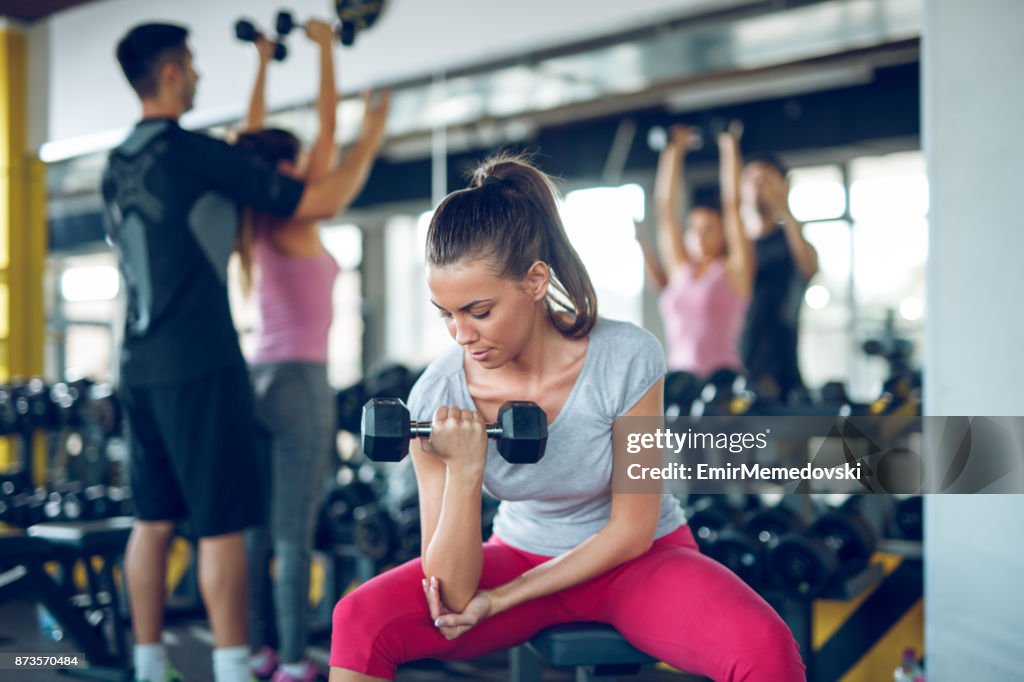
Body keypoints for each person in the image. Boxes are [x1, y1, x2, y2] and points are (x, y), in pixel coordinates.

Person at [327, 155, 805, 681]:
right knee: (358, 620)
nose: (462, 335)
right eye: (448, 314)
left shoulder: (625, 357)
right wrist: (465, 472)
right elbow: (453, 595)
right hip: (517, 552)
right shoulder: (437, 396)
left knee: (764, 648)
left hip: (638, 563)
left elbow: (631, 530)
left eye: (480, 312)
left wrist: (506, 597)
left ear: (534, 281)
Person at [104, 23, 375, 682]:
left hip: (136, 366)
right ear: (170, 74)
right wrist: (369, 126)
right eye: (191, 66)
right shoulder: (197, 156)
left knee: (152, 520)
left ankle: (148, 664)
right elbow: (312, 188)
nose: (197, 76)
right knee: (226, 526)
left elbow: (245, 149)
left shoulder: (118, 164)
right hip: (201, 363)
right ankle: (232, 668)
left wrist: (263, 65)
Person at [233, 24, 389, 682]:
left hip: (259, 377)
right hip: (299, 382)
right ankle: (295, 662)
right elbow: (332, 139)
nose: (305, 166)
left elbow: (252, 140)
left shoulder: (252, 216)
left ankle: (259, 650)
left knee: (259, 531)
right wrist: (329, 57)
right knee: (293, 531)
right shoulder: (295, 217)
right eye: (293, 160)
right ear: (281, 168)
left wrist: (265, 65)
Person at [636, 124, 754, 378]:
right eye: (694, 228)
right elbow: (665, 209)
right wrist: (673, 150)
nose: (699, 235)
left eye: (709, 228)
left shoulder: (733, 271)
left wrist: (728, 145)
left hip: (722, 379)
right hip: (680, 378)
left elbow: (733, 206)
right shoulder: (681, 270)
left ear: (723, 234)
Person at [739, 151, 819, 401]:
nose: (758, 186)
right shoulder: (736, 249)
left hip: (782, 369)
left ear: (783, 185)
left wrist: (785, 208)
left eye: (766, 180)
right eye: (752, 179)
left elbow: (808, 268)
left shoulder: (790, 243)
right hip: (735, 366)